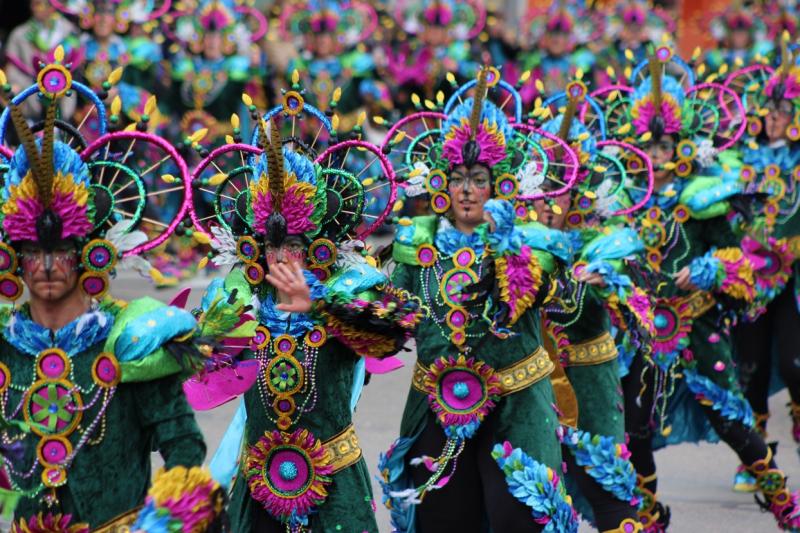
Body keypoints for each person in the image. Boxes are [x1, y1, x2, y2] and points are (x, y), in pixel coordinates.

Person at [0, 54, 234, 530]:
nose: (46, 266)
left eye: (62, 249)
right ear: (14, 258)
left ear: (90, 252)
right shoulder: (6, 347)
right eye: (33, 251)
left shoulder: (132, 338)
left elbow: (183, 443)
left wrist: (171, 515)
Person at [194, 93, 421, 532]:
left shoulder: (349, 288)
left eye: (294, 246)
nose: (282, 258)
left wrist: (319, 304)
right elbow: (201, 367)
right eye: (273, 245)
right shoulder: (236, 296)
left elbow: (396, 329)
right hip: (256, 482)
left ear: (317, 244)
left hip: (336, 486)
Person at [602, 44, 800, 531]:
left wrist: (712, 268)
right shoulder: (620, 197)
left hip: (695, 322)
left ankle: (782, 502)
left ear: (682, 146)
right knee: (634, 424)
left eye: (664, 146)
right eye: (647, 146)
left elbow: (739, 257)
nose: (655, 156)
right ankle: (649, 515)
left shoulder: (701, 197)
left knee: (730, 415)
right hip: (641, 328)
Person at [378, 67, 580, 533]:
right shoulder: (417, 243)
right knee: (443, 520)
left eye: (478, 178)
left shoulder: (529, 243)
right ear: (442, 187)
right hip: (437, 400)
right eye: (457, 178)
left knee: (522, 519)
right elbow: (394, 314)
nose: (467, 189)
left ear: (499, 184)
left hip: (516, 403)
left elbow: (542, 291)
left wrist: (510, 261)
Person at [525, 82, 656, 533]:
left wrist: (612, 283)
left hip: (591, 387)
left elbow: (637, 300)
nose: (545, 204)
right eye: (537, 191)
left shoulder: (602, 243)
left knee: (611, 500)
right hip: (533, 392)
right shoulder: (517, 245)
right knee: (534, 500)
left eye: (556, 193)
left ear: (576, 194)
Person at [726, 43, 800, 493]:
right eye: (768, 109)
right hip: (748, 281)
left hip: (791, 279)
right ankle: (756, 458)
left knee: (795, 364)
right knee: (747, 369)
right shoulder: (741, 159)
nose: (773, 117)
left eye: (782, 109)